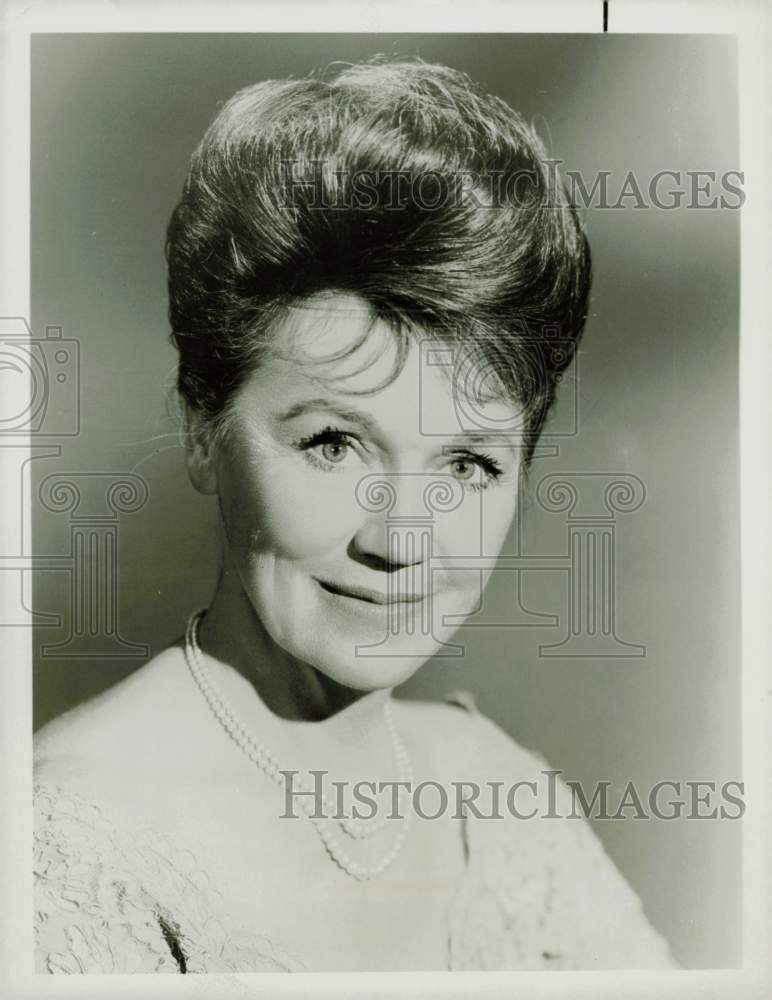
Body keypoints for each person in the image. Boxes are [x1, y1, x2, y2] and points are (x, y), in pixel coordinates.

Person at [33, 56, 676, 973]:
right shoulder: (65, 844)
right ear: (201, 429)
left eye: (466, 463)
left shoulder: (500, 798)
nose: (400, 539)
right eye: (335, 444)